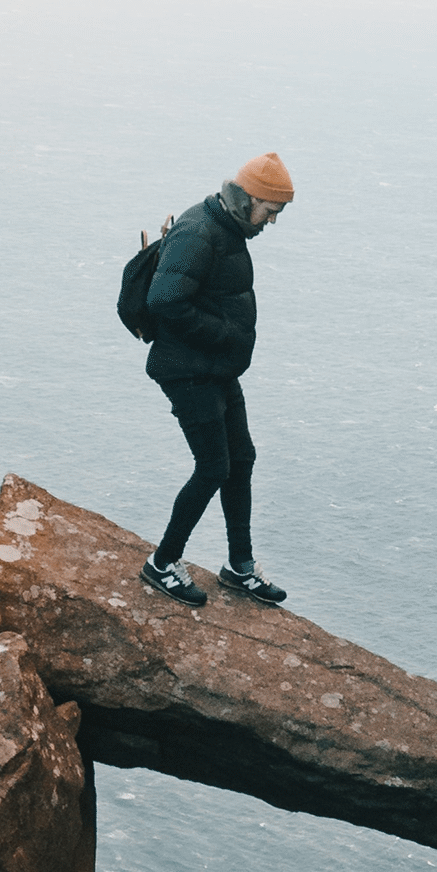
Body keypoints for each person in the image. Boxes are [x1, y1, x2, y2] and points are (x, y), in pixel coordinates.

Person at [138, 152, 294, 608]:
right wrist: (226, 336)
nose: (271, 222)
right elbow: (165, 299)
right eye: (270, 211)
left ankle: (239, 567)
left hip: (215, 368)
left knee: (241, 458)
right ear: (249, 200)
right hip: (187, 372)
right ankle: (162, 562)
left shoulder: (226, 229)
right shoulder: (198, 232)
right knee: (213, 467)